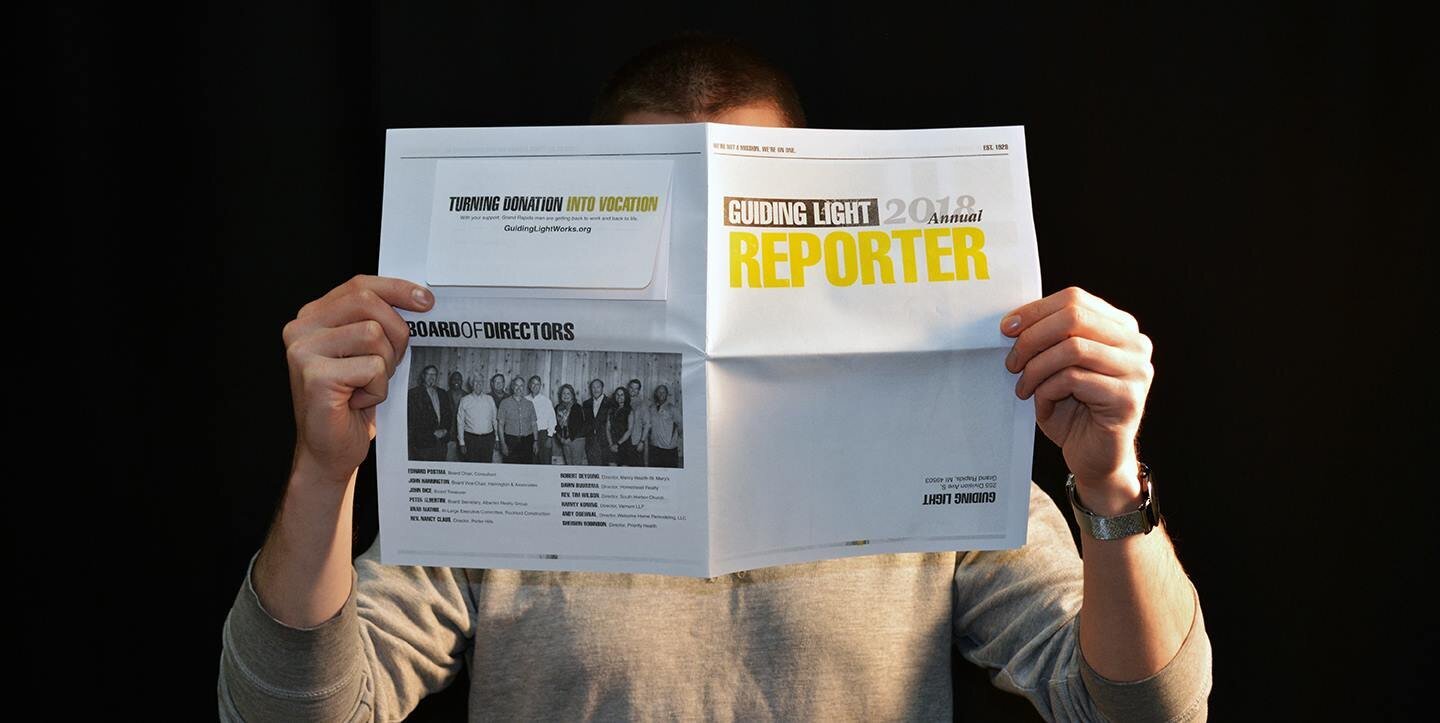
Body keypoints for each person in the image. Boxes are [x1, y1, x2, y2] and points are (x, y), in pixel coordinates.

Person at [221, 34, 1211, 721]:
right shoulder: (499, 493)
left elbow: (1146, 710)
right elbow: (287, 714)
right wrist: (323, 473)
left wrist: (1109, 485)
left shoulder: (935, 452)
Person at [404, 364, 451, 461]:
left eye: (434, 374)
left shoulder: (443, 393)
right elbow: (412, 421)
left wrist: (445, 430)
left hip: (441, 443)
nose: (431, 377)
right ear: (423, 376)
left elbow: (449, 415)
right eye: (428, 374)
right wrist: (432, 433)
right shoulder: (413, 394)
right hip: (423, 445)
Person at [455, 375, 497, 463]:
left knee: (486, 466)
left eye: (480, 381)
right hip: (470, 440)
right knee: (471, 466)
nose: (478, 384)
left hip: (487, 440)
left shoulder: (490, 399)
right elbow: (460, 423)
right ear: (471, 384)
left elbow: (495, 420)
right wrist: (461, 443)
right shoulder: (464, 400)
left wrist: (497, 438)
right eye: (475, 381)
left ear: (483, 384)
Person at [496, 375, 538, 464]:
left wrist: (535, 441)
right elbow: (500, 425)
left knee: (526, 468)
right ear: (512, 387)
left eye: (521, 386)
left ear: (524, 388)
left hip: (527, 442)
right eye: (516, 385)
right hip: (511, 441)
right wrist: (503, 444)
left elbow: (534, 424)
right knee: (510, 468)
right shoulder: (504, 403)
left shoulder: (529, 404)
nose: (519, 388)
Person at [581, 377, 615, 467]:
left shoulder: (610, 403)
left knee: (605, 468)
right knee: (592, 467)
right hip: (590, 441)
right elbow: (585, 423)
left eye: (598, 387)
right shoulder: (586, 404)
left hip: (605, 441)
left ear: (602, 388)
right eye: (593, 387)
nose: (596, 390)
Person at [648, 383, 682, 468]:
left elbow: (681, 425)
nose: (661, 394)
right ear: (656, 394)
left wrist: (672, 440)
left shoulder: (672, 408)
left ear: (667, 394)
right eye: (659, 392)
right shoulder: (651, 408)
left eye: (663, 392)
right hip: (654, 447)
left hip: (668, 449)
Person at [554, 383, 587, 465]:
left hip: (577, 439)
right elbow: (555, 425)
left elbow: (580, 426)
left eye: (568, 393)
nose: (566, 395)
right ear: (560, 395)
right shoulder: (557, 408)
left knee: (576, 464)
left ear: (572, 395)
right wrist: (560, 438)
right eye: (564, 393)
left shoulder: (577, 407)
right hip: (564, 440)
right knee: (568, 463)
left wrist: (570, 439)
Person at [528, 375, 557, 465]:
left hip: (543, 435)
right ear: (529, 385)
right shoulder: (525, 400)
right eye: (533, 383)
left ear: (540, 386)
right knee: (531, 461)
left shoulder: (546, 401)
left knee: (545, 461)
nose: (535, 386)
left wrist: (550, 436)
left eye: (537, 384)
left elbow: (552, 420)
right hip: (529, 434)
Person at [607, 385, 637, 466]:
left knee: (624, 469)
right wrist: (611, 444)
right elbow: (607, 428)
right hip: (612, 443)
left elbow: (629, 430)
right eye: (617, 394)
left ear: (625, 396)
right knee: (611, 468)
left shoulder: (630, 411)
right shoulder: (611, 410)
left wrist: (617, 444)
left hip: (624, 444)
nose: (619, 397)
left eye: (622, 395)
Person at [626, 378, 649, 465]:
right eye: (631, 388)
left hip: (636, 441)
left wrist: (642, 442)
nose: (633, 390)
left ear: (639, 391)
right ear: (628, 388)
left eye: (636, 389)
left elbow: (647, 424)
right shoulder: (623, 402)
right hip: (623, 440)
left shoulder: (642, 404)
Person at [445, 370, 466, 461]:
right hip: (449, 437)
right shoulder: (444, 395)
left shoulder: (467, 396)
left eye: (459, 379)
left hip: (465, 438)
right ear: (450, 381)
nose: (456, 381)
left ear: (462, 381)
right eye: (454, 379)